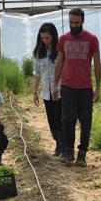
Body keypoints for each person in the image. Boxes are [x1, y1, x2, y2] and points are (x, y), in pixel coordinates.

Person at [52, 8, 101, 166]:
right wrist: (55, 84)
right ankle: (68, 151)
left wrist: (98, 87)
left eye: (77, 23)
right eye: (71, 22)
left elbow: (98, 64)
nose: (74, 25)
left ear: (82, 21)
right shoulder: (63, 39)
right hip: (67, 86)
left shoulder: (91, 39)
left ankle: (82, 153)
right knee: (67, 120)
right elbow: (59, 62)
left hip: (85, 87)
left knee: (86, 121)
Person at [32, 22, 64, 157]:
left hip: (60, 91)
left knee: (60, 119)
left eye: (47, 38)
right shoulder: (39, 53)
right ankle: (58, 143)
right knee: (52, 120)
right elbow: (37, 74)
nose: (45, 41)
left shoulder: (60, 51)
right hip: (46, 93)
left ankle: (63, 147)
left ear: (53, 37)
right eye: (42, 38)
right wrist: (34, 92)